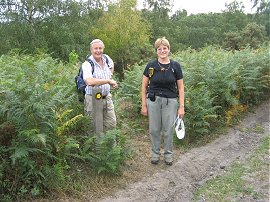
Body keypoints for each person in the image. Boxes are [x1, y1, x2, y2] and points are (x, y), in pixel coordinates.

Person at [141, 37, 185, 165]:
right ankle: (155, 154)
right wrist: (144, 105)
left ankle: (168, 155)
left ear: (169, 49)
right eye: (159, 48)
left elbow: (181, 87)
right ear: (156, 51)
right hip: (153, 101)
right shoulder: (151, 66)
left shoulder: (175, 66)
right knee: (154, 129)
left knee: (168, 130)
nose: (162, 50)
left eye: (164, 48)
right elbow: (144, 86)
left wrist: (181, 106)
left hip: (170, 102)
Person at [82, 39, 118, 131]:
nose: (98, 51)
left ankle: (108, 145)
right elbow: (89, 81)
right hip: (93, 98)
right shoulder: (87, 64)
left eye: (100, 48)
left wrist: (110, 76)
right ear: (91, 50)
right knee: (94, 127)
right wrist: (107, 81)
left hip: (107, 97)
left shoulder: (106, 58)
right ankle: (96, 145)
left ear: (103, 49)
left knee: (111, 124)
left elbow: (112, 65)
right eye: (95, 48)